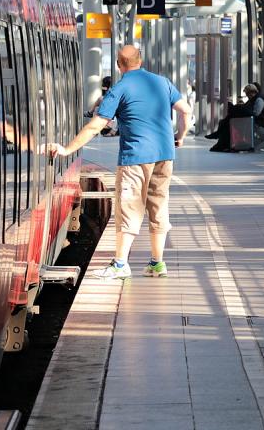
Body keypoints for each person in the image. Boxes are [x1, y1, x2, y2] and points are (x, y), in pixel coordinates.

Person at [47, 45, 191, 280]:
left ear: (118, 64)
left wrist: (67, 149)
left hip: (135, 157)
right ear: (141, 60)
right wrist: (180, 137)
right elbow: (185, 111)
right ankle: (157, 263)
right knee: (158, 206)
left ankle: (120, 264)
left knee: (129, 208)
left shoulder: (120, 88)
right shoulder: (162, 82)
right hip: (165, 155)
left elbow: (96, 125)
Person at [208, 84, 264, 152]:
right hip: (248, 120)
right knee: (228, 121)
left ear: (252, 92)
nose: (247, 96)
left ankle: (218, 136)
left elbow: (256, 113)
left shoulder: (259, 100)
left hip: (256, 121)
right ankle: (220, 141)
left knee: (231, 116)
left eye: (247, 94)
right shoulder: (253, 99)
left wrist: (243, 109)